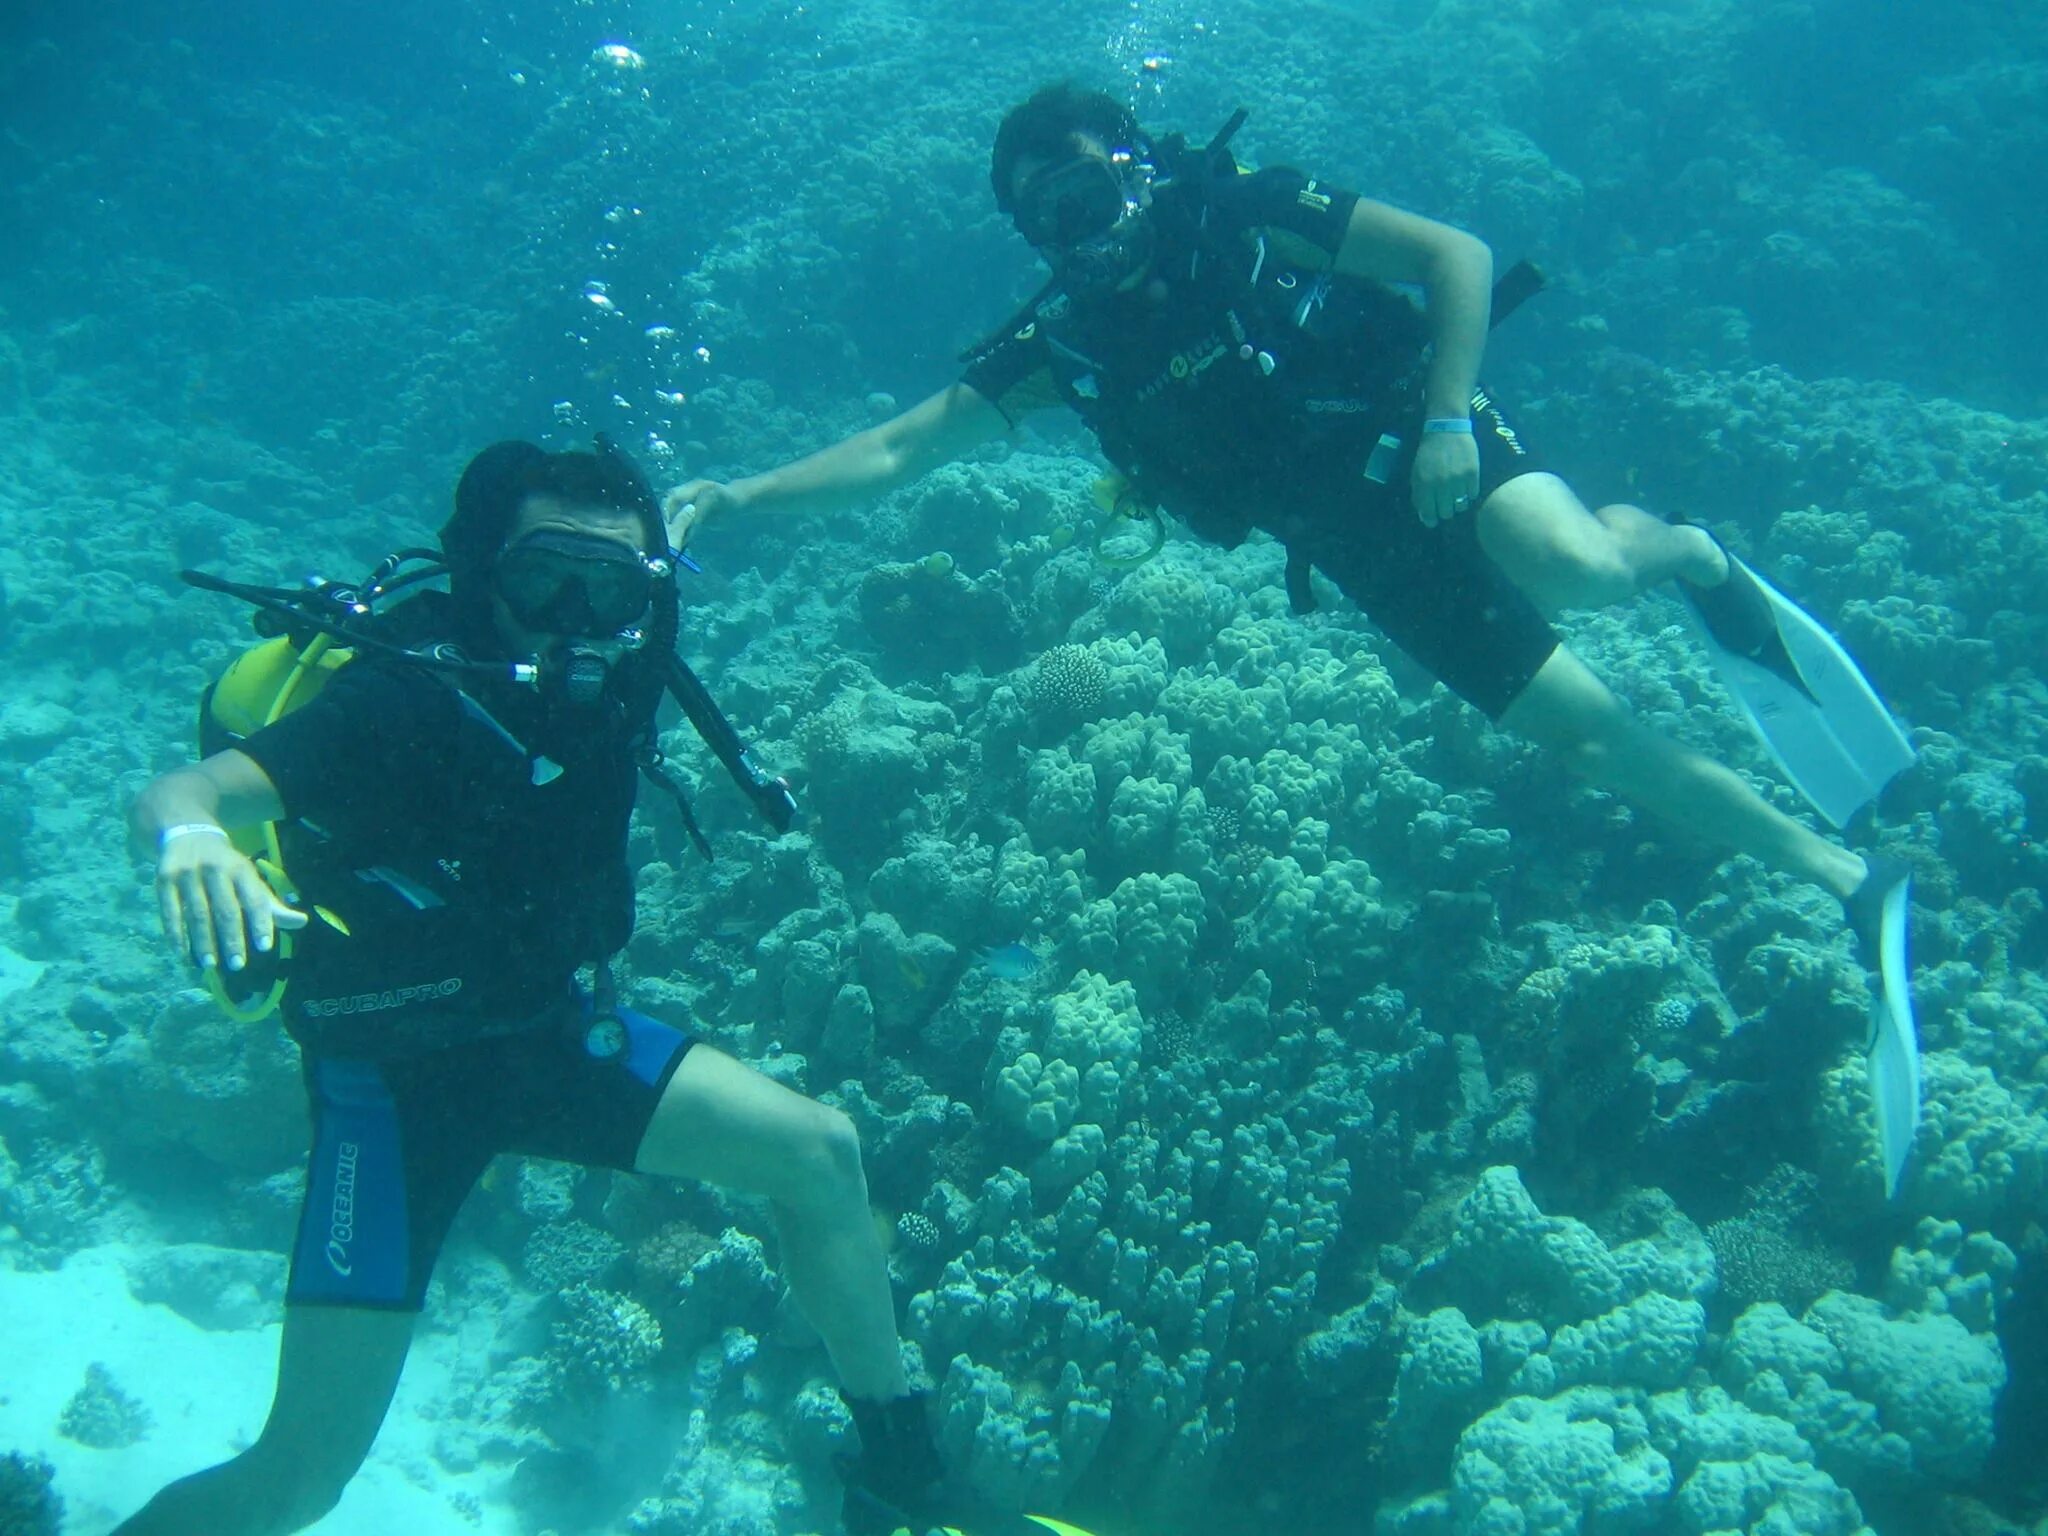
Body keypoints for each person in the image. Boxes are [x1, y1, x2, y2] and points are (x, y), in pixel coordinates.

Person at [665, 83, 1925, 1187]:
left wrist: (1442, 418)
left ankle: (1687, 551)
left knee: (1577, 567)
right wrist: (742, 496)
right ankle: (1845, 881)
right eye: (1040, 211)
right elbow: (896, 446)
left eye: (1087, 186)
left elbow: (1454, 257)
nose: (1076, 224)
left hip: (1427, 443)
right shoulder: (1060, 347)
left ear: (1139, 166)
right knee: (1587, 739)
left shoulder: (1244, 208)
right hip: (1365, 550)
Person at [119, 440, 941, 1535]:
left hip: (549, 1036)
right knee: (302, 1476)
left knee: (818, 1152)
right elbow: (188, 788)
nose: (573, 615)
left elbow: (675, 536)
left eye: (608, 585)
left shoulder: (630, 644)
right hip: (391, 1091)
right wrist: (190, 837)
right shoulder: (398, 698)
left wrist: (722, 500)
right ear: (477, 576)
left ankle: (899, 1467)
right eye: (539, 578)